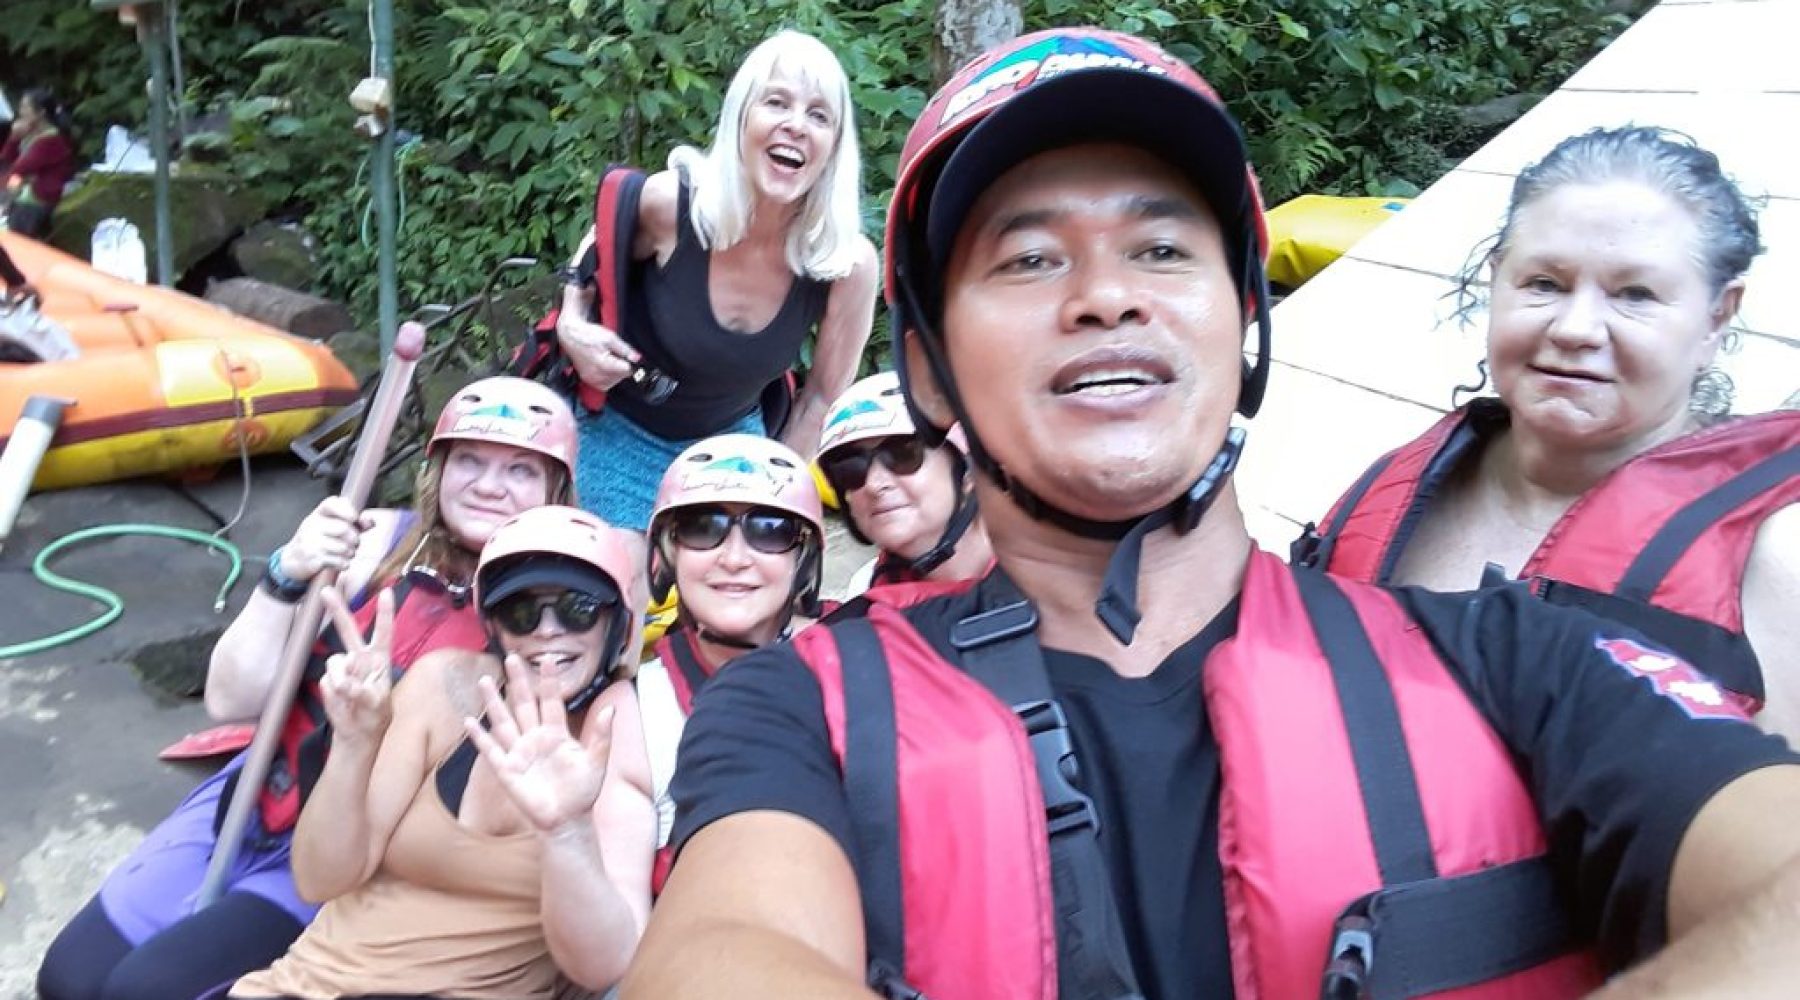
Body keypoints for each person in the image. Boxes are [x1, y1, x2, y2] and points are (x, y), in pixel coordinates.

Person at [619, 28, 1800, 1000]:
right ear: (928, 371)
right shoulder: (796, 706)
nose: (1106, 294)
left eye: (1161, 246)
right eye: (1028, 260)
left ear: (1242, 325)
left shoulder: (1521, 666)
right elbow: (717, 952)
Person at [38, 376, 577, 1000]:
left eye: (519, 470)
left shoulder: (553, 608)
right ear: (438, 469)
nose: (487, 485)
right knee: (68, 978)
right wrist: (287, 573)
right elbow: (231, 700)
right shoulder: (374, 541)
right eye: (470, 460)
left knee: (144, 991)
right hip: (258, 793)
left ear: (555, 489)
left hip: (350, 850)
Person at [1295, 126, 1800, 736]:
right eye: (1544, 284)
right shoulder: (1398, 482)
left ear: (1717, 316)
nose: (1575, 328)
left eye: (1635, 294)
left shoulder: (1776, 553)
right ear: (1495, 282)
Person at [229, 505, 651, 998]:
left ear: (617, 625)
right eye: (520, 611)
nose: (547, 629)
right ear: (495, 627)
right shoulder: (445, 683)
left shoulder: (620, 725)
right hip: (308, 982)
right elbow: (319, 880)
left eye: (578, 609)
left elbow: (605, 966)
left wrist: (567, 830)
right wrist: (353, 745)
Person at [555, 29, 877, 542]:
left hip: (735, 446)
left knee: (737, 580)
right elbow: (597, 244)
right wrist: (572, 324)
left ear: (835, 147)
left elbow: (820, 399)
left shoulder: (847, 264)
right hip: (621, 433)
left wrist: (772, 494)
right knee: (621, 578)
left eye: (819, 116)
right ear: (741, 118)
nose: (796, 125)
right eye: (777, 103)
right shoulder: (670, 205)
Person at [605, 433, 826, 895]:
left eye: (769, 530)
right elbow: (622, 922)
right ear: (669, 555)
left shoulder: (854, 665)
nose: (734, 558)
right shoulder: (635, 715)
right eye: (702, 528)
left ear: (803, 561)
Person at [815, 370, 991, 594]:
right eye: (851, 467)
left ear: (967, 471)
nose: (874, 485)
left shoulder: (1035, 570)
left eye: (903, 454)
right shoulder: (864, 590)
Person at [1, 88, 77, 237]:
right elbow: (8, 161)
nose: (21, 112)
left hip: (38, 199)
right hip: (26, 194)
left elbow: (18, 169)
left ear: (41, 113)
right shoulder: (32, 135)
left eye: (25, 107)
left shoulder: (49, 140)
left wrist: (8, 194)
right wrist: (14, 139)